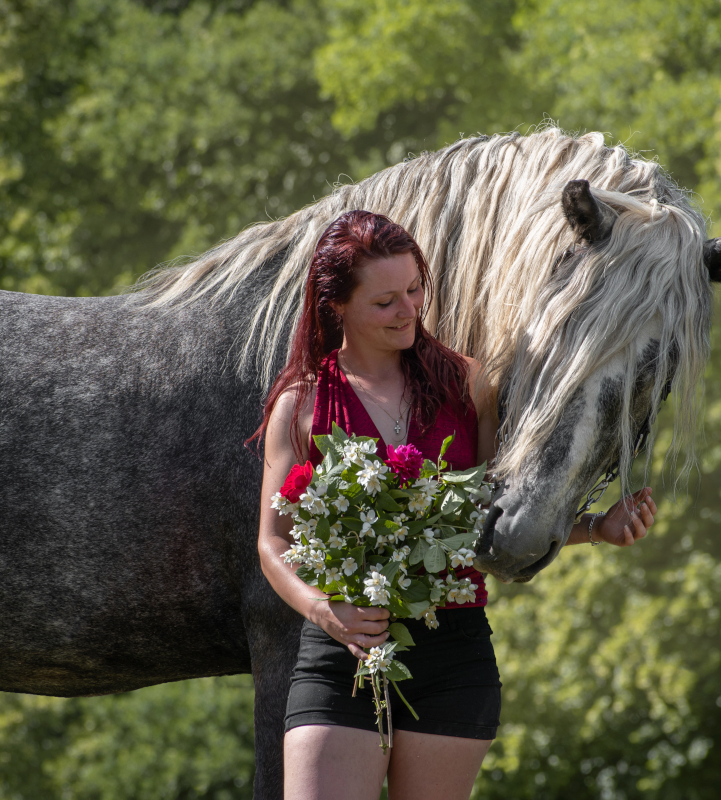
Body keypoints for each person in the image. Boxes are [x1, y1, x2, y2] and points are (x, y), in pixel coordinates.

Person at [255, 210, 658, 800]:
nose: (410, 310)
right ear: (336, 305)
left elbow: (489, 520)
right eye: (386, 301)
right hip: (339, 651)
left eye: (416, 290)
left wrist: (597, 527)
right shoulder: (302, 404)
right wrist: (323, 611)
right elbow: (272, 544)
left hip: (453, 650)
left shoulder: (467, 384)